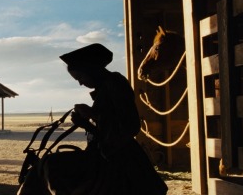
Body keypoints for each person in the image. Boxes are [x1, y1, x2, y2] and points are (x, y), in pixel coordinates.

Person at [59, 43, 168, 194]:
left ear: (90, 70)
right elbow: (106, 130)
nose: (80, 83)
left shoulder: (115, 83)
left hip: (122, 159)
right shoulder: (105, 87)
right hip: (110, 154)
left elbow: (130, 125)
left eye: (80, 77)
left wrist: (92, 114)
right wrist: (86, 124)